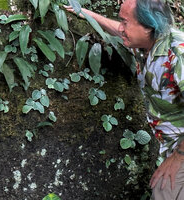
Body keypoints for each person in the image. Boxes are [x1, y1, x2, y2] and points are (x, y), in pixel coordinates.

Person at [65, 0, 184, 199]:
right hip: (172, 143)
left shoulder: (178, 53)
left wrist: (179, 157)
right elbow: (116, 29)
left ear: (148, 26)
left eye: (125, 22)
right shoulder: (146, 42)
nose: (121, 27)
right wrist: (85, 13)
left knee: (165, 190)